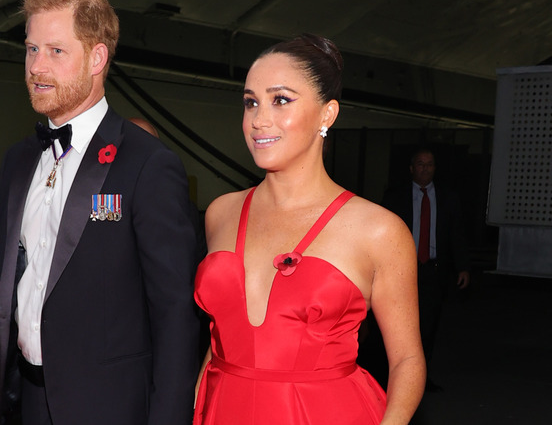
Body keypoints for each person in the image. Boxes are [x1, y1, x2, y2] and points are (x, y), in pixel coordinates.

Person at [0, 0, 201, 424]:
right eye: (32, 49)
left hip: (110, 409)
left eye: (56, 51)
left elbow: (174, 314)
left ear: (97, 59)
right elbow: (0, 281)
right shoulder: (19, 159)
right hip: (25, 401)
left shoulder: (148, 165)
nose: (37, 67)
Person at [192, 34, 426, 424]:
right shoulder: (221, 212)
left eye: (280, 100)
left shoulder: (378, 230)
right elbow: (222, 338)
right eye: (251, 102)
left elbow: (407, 359)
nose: (259, 119)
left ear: (327, 114)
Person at [381, 148, 470, 392]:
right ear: (411, 168)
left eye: (429, 164)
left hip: (433, 270)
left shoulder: (447, 198)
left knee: (428, 327)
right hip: (402, 271)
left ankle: (420, 378)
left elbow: (456, 235)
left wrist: (462, 267)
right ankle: (391, 375)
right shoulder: (395, 197)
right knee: (398, 325)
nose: (425, 168)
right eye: (420, 164)